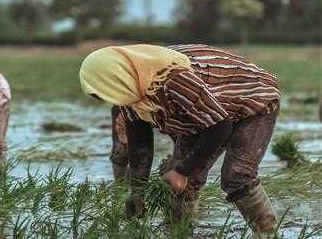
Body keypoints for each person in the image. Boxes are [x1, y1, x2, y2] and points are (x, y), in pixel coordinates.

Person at [80, 44, 280, 236]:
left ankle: (267, 233)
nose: (111, 99)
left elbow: (220, 126)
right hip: (205, 114)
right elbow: (140, 143)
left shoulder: (172, 79)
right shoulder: (130, 91)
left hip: (252, 103)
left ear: (116, 77)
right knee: (177, 177)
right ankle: (178, 234)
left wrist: (182, 172)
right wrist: (137, 190)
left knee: (236, 176)